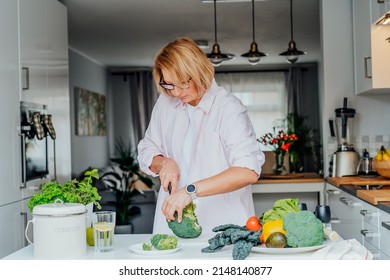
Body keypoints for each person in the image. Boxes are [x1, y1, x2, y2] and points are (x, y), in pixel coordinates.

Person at [137, 37, 265, 235]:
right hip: (173, 222)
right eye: (169, 85)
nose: (177, 92)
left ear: (199, 72)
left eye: (183, 84)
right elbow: (147, 148)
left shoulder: (228, 108)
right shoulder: (165, 102)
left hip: (223, 223)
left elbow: (247, 171)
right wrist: (164, 162)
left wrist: (190, 191)